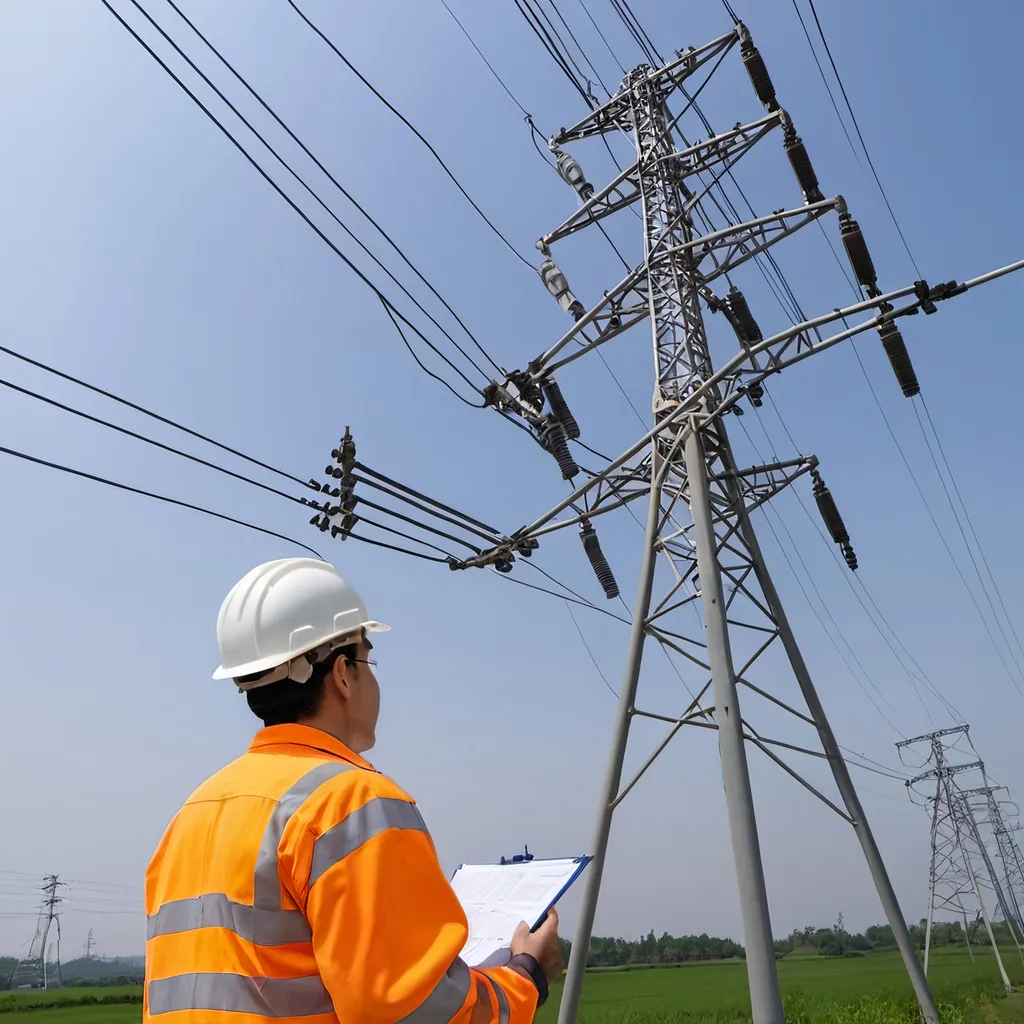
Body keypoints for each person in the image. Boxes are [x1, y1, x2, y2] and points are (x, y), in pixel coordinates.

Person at [143, 557, 563, 1023]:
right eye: (369, 659)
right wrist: (527, 977)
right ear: (343, 673)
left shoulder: (190, 816)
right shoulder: (352, 805)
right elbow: (413, 1012)